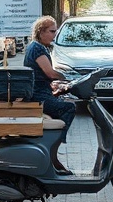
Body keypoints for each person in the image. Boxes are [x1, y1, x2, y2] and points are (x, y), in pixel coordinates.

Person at [24, 15, 76, 174]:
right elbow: (49, 73)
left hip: (41, 91)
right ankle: (54, 149)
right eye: (52, 31)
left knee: (64, 102)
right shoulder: (38, 48)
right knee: (69, 108)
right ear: (41, 32)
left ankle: (52, 150)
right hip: (38, 95)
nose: (55, 34)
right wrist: (69, 78)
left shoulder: (37, 47)